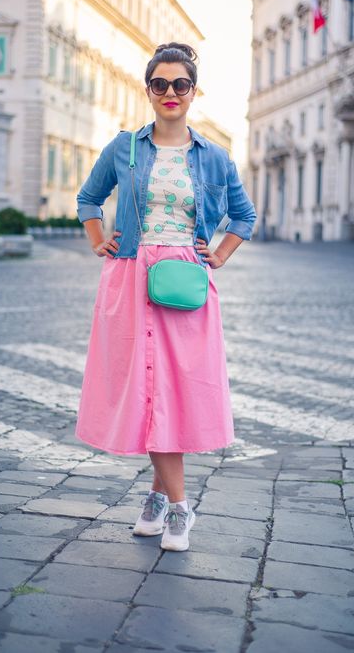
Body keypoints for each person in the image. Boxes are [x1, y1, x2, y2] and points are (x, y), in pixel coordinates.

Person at [75, 42, 256, 552]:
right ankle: (165, 502)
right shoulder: (124, 149)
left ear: (194, 92)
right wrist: (97, 238)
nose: (170, 93)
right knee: (147, 390)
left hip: (185, 279)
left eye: (181, 85)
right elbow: (89, 197)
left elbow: (245, 215)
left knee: (174, 389)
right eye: (161, 84)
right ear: (148, 89)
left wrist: (219, 253)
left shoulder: (215, 157)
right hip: (131, 277)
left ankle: (175, 505)